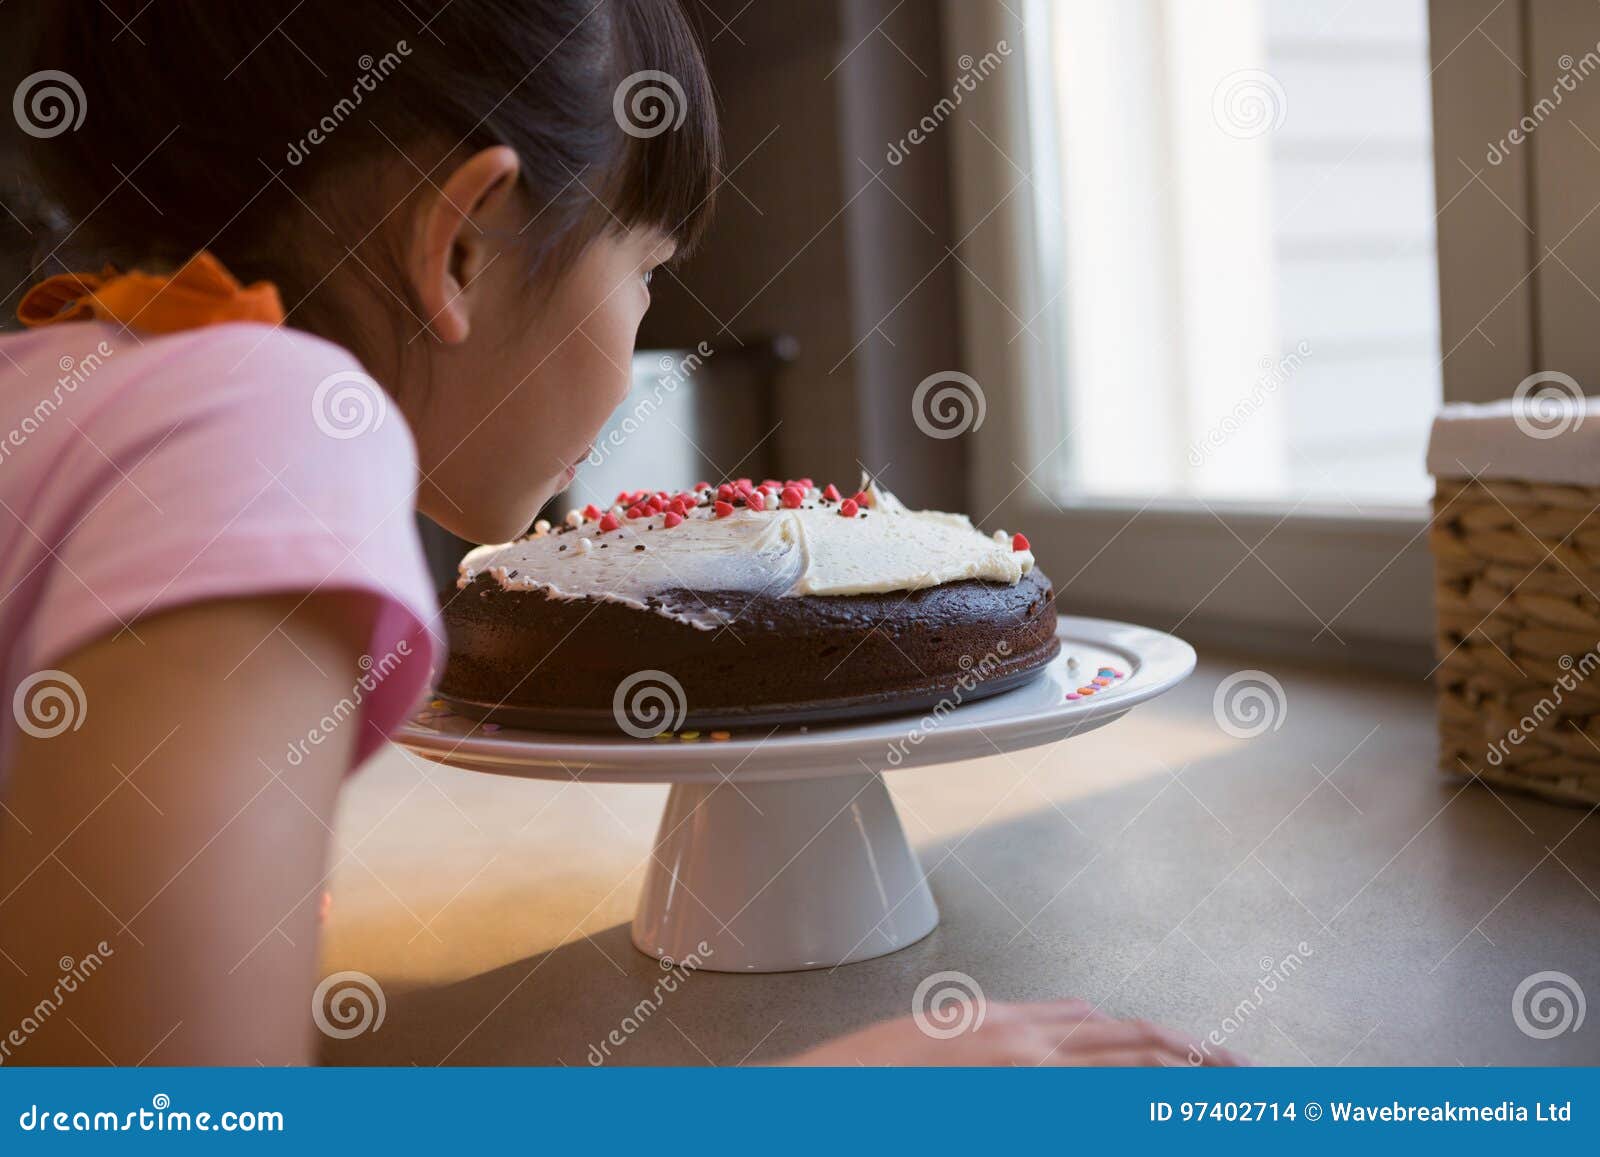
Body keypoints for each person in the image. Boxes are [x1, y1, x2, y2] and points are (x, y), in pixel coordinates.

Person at [0, 0, 1238, 1068]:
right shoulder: (257, 425)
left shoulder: (73, 383)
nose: (644, 325)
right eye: (644, 267)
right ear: (465, 243)